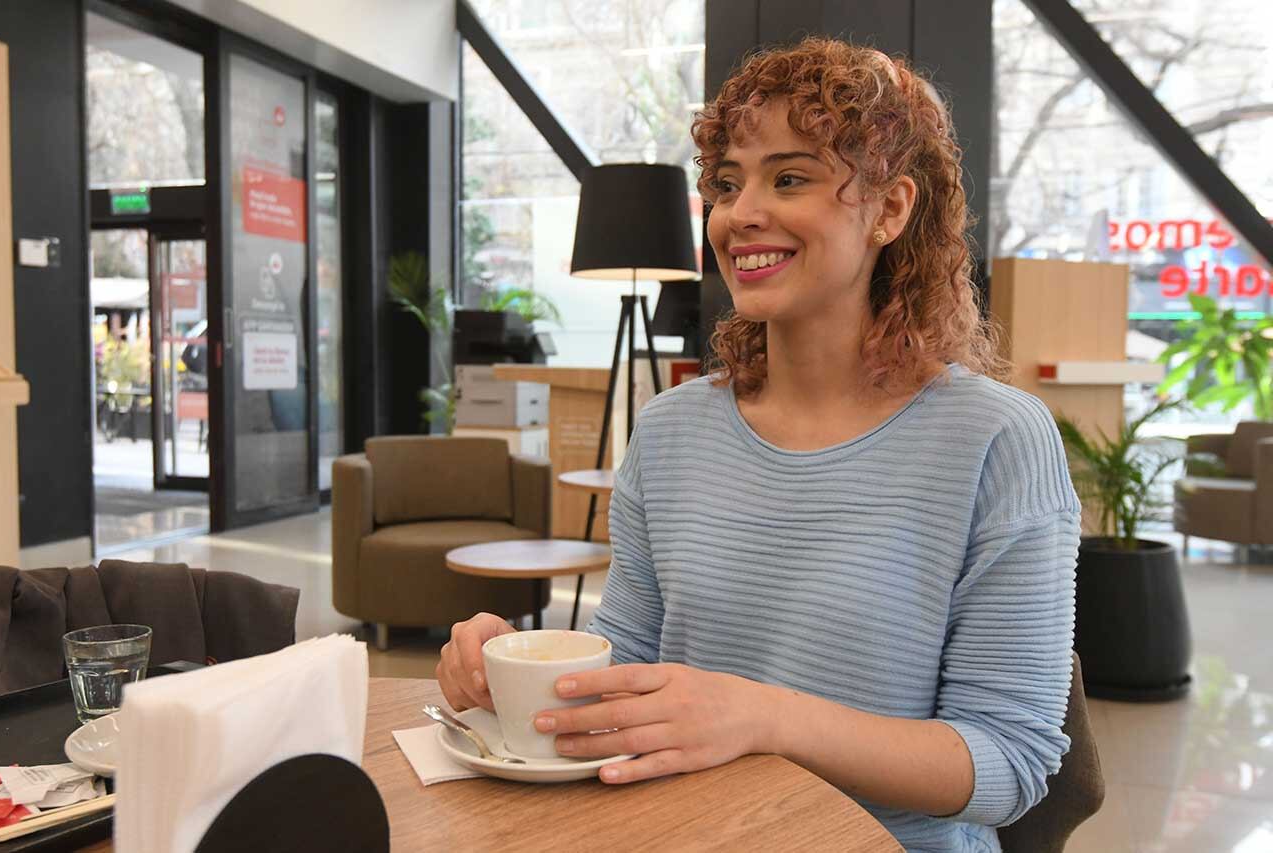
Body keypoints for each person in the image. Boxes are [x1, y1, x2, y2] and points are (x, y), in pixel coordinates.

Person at [438, 37, 1079, 853]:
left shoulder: (997, 441)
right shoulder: (671, 430)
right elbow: (631, 672)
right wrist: (514, 668)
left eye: (791, 177)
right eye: (728, 184)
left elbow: (1010, 766)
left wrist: (762, 716)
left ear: (890, 209)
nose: (741, 214)